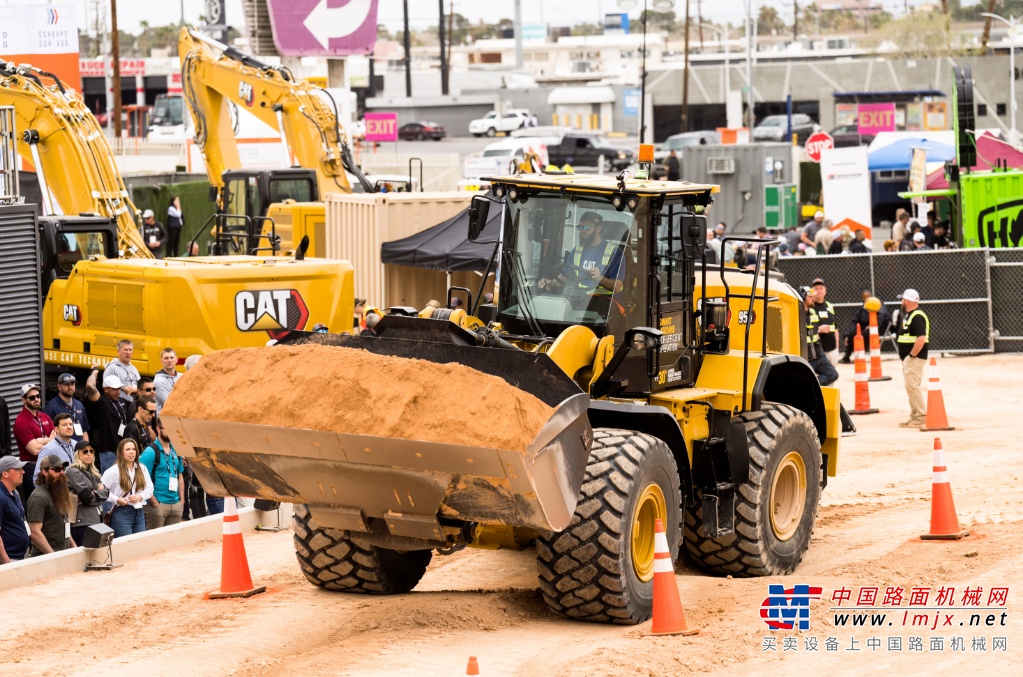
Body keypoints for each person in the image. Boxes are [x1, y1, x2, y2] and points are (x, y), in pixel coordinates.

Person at [539, 211, 625, 295]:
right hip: (580, 298)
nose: (582, 231)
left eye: (587, 227)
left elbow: (618, 287)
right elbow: (565, 276)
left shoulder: (614, 252)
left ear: (598, 229)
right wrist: (551, 283)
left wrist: (600, 278)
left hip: (606, 301)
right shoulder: (577, 250)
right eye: (580, 227)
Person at [12, 383, 55, 504]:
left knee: (51, 503)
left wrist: (40, 441)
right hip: (32, 466)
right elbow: (34, 450)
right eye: (32, 397)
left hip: (49, 465)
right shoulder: (21, 421)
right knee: (36, 503)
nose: (36, 399)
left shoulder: (45, 417)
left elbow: (57, 441)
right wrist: (49, 441)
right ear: (23, 400)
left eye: (38, 396)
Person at [101, 438, 152, 537]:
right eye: (128, 449)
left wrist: (140, 496)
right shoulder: (113, 471)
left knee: (140, 543)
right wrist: (117, 499)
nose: (132, 452)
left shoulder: (142, 468)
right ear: (121, 452)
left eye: (134, 449)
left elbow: (150, 488)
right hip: (121, 512)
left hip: (139, 511)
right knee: (125, 545)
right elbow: (102, 491)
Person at [140, 418, 185, 530]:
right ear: (158, 429)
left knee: (172, 544)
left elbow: (180, 475)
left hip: (175, 503)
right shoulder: (150, 452)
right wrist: (154, 503)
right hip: (158, 504)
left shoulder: (176, 450)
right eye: (167, 429)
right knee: (154, 543)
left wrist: (182, 500)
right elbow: (140, 478)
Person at [83, 368, 130, 473]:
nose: (118, 392)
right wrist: (94, 372)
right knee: (109, 482)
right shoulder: (100, 401)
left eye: (119, 389)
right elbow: (90, 386)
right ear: (106, 389)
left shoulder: (121, 402)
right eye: (114, 389)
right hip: (108, 451)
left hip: (122, 448)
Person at [26, 454, 76, 555]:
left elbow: (64, 524)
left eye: (63, 469)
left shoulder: (58, 493)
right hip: (45, 560)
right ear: (45, 471)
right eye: (57, 469)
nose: (62, 472)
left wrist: (74, 547)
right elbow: (35, 532)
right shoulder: (39, 497)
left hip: (62, 555)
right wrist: (53, 556)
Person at [896, 288, 930, 428]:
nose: (901, 302)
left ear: (908, 301)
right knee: (910, 387)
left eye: (903, 299)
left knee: (913, 386)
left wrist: (912, 355)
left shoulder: (917, 316)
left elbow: (921, 338)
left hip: (914, 358)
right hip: (909, 358)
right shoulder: (909, 315)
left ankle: (921, 416)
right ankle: (914, 416)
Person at [65, 441, 109, 545]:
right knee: (83, 557)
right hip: (81, 522)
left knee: (96, 557)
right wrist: (99, 492)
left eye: (91, 451)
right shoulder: (73, 471)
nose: (89, 454)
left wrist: (95, 494)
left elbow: (107, 493)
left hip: (95, 518)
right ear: (77, 454)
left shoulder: (93, 472)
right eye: (85, 451)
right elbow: (87, 497)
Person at [800, 286, 838, 386]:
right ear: (803, 298)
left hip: (818, 354)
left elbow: (814, 331)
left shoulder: (812, 312)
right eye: (810, 297)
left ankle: (809, 385)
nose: (813, 299)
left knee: (833, 375)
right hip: (806, 358)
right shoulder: (797, 314)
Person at [841, 290, 893, 364]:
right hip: (865, 328)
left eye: (868, 296)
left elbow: (882, 317)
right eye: (864, 297)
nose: (866, 299)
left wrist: (873, 325)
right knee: (852, 334)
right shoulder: (862, 308)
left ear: (871, 296)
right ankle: (846, 357)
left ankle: (861, 356)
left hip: (880, 328)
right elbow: (855, 321)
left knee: (864, 334)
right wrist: (847, 334)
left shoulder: (878, 304)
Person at [43, 373, 90, 444]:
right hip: (62, 450)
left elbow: (84, 430)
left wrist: (85, 448)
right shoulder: (51, 407)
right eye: (66, 384)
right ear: (59, 387)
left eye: (72, 384)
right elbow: (46, 433)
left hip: (79, 450)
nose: (70, 387)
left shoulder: (79, 405)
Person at [0, 456, 30, 563]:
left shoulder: (14, 493)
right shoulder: (1, 496)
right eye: (17, 469)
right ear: (5, 473)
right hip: (9, 559)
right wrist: (7, 563)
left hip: (19, 556)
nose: (23, 472)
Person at [33, 413, 77, 483]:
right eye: (64, 425)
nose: (69, 427)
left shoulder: (76, 445)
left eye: (71, 424)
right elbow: (37, 477)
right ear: (56, 429)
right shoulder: (48, 449)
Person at [811, 278, 839, 367]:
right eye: (816, 289)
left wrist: (837, 347)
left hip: (832, 349)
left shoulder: (830, 306)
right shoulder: (809, 307)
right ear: (812, 292)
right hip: (819, 350)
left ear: (825, 291)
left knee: (832, 376)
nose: (819, 291)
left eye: (821, 288)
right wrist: (818, 329)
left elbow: (835, 328)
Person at [105, 339, 140, 404]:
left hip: (134, 403)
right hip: (119, 404)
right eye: (125, 350)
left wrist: (135, 389)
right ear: (118, 351)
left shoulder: (134, 369)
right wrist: (123, 388)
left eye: (130, 350)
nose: (128, 352)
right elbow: (106, 388)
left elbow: (141, 386)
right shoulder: (112, 368)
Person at [153, 348, 180, 415]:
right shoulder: (158, 381)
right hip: (165, 419)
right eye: (166, 358)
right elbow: (169, 403)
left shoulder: (181, 376)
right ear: (161, 361)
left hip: (178, 416)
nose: (169, 360)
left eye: (171, 357)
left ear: (176, 360)